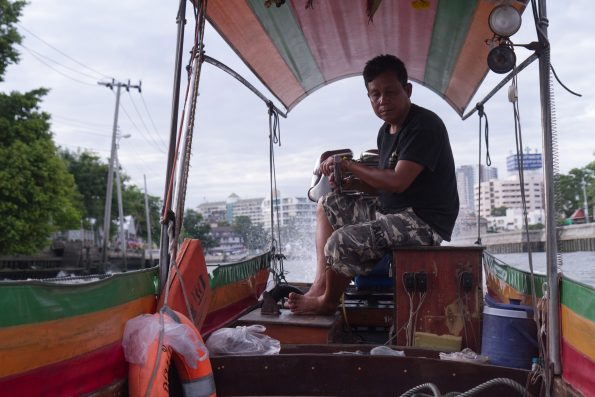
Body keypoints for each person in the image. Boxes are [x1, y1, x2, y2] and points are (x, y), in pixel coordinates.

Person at [287, 54, 459, 314]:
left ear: (407, 90)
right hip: (394, 210)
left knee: (340, 242)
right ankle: (319, 285)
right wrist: (348, 182)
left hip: (424, 222)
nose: (382, 100)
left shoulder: (424, 125)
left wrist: (348, 164)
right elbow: (384, 187)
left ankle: (327, 302)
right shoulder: (385, 130)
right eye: (375, 94)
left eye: (390, 92)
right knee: (328, 203)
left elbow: (399, 182)